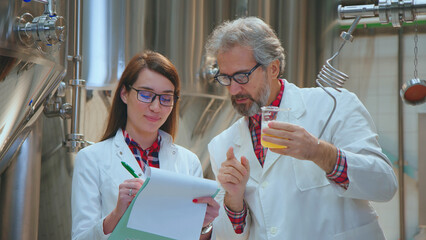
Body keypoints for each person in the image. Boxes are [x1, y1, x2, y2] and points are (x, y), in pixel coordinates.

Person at [205, 17, 398, 240]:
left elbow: (384, 184)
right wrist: (234, 200)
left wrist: (320, 152)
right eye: (225, 78)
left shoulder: (333, 105)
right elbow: (228, 236)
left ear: (273, 68)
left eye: (242, 76)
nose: (233, 89)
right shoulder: (223, 145)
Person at [71, 50, 219, 240]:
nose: (156, 107)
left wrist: (204, 226)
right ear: (124, 93)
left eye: (166, 98)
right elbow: (80, 237)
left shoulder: (188, 162)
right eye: (146, 94)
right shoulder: (91, 158)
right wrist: (117, 215)